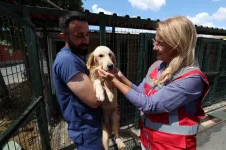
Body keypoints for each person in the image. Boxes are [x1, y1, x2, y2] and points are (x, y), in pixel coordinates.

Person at [98, 16, 210, 150]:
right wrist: (120, 77)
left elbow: (148, 105)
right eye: (154, 41)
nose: (154, 47)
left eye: (160, 44)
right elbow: (141, 93)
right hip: (148, 141)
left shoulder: (191, 79)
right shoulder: (157, 66)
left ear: (177, 46)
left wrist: (114, 81)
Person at [52, 12, 104, 150]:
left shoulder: (78, 56)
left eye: (87, 34)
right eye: (79, 36)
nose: (86, 40)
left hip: (93, 125)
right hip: (86, 130)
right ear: (64, 36)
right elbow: (95, 99)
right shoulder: (67, 60)